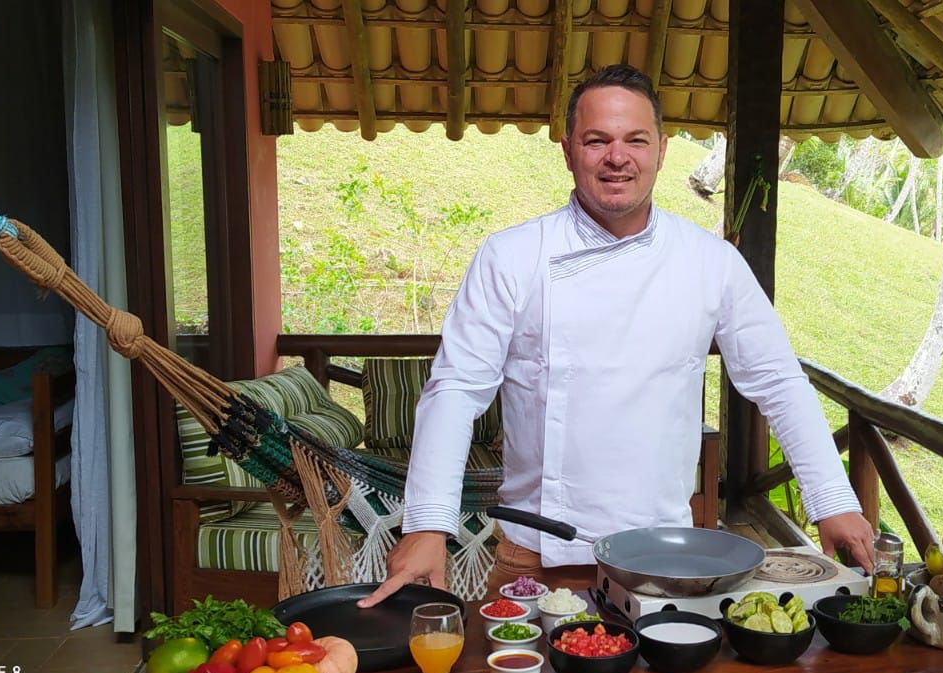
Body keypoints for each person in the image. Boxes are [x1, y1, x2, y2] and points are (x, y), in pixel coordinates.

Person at [358, 64, 873, 607]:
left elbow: (777, 381)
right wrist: (426, 524)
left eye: (635, 140)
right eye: (597, 140)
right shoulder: (512, 257)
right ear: (567, 150)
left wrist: (832, 500)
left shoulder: (710, 261)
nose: (617, 157)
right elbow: (457, 389)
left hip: (666, 557)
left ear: (662, 150)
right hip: (534, 555)